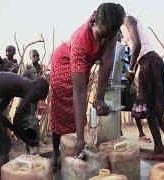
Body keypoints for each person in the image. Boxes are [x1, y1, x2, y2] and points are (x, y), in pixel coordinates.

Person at [49, 3, 125, 170]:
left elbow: (106, 63)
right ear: (92, 24)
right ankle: (56, 153)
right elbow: (80, 91)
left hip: (82, 66)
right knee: (60, 111)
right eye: (101, 36)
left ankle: (73, 152)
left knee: (78, 116)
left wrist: (99, 98)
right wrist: (81, 138)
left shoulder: (109, 29)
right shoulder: (80, 41)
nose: (103, 41)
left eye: (108, 37)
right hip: (63, 63)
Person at [124, 15, 164, 160]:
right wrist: (133, 71)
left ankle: (159, 150)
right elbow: (137, 52)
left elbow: (137, 45)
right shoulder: (127, 26)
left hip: (149, 63)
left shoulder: (128, 19)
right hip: (150, 62)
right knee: (154, 109)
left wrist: (130, 71)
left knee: (148, 108)